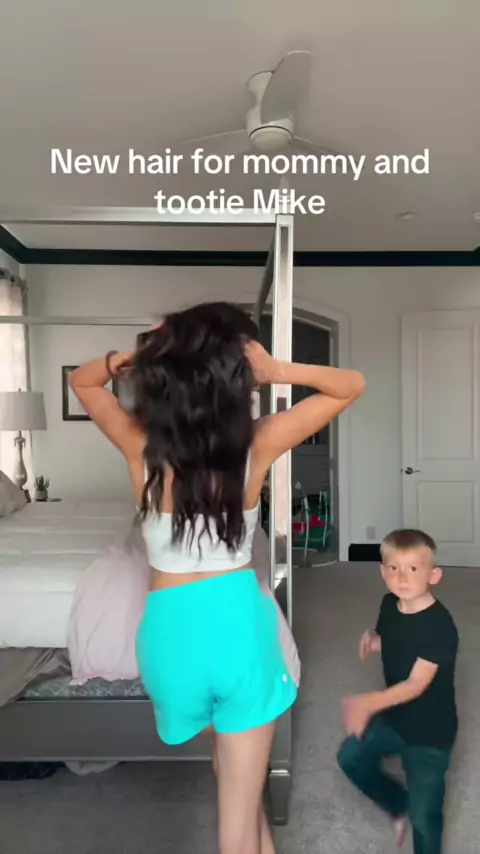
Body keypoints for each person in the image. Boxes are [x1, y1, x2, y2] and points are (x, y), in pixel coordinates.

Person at [68, 301, 365, 854]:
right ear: (237, 378)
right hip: (236, 634)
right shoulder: (257, 444)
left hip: (168, 645)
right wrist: (278, 370)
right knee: (236, 825)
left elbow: (83, 383)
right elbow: (351, 385)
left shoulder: (140, 445)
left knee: (230, 773)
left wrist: (147, 352)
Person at [337, 529, 459, 854]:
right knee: (350, 758)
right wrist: (373, 640)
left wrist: (366, 703)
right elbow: (394, 638)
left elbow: (416, 685)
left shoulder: (440, 627)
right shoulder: (390, 604)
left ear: (434, 575)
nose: (402, 577)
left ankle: (414, 815)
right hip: (395, 717)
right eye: (394, 568)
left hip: (430, 735)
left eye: (413, 568)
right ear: (382, 572)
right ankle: (396, 802)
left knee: (424, 817)